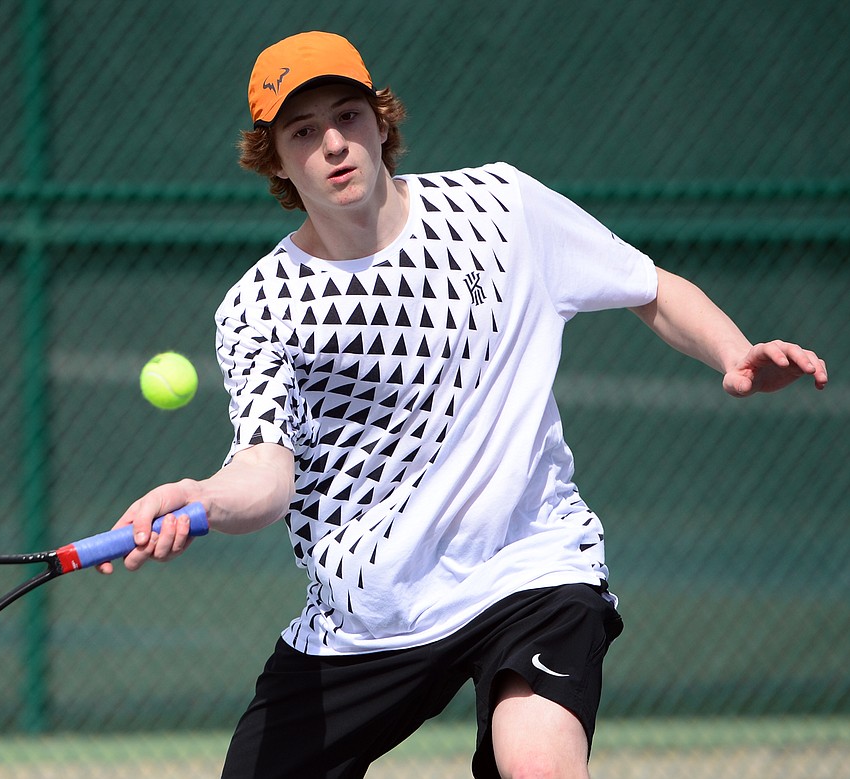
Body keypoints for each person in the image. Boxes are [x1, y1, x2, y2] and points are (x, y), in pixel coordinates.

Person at [97, 31, 828, 778]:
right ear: (275, 160)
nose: (334, 144)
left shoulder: (500, 209)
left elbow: (650, 287)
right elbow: (267, 472)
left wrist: (734, 352)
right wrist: (204, 497)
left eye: (348, 115)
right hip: (369, 614)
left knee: (539, 767)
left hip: (528, 566)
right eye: (303, 132)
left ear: (381, 121)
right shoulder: (261, 306)